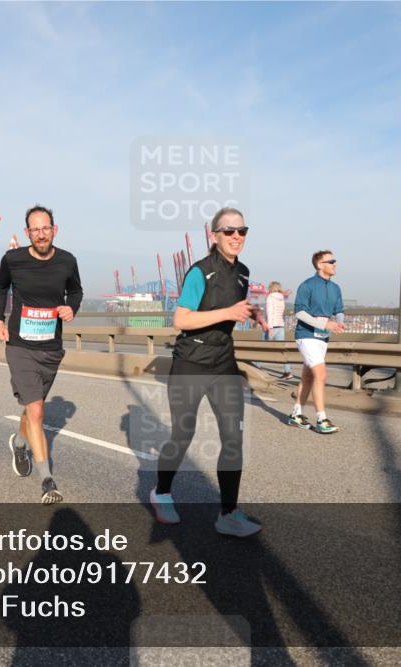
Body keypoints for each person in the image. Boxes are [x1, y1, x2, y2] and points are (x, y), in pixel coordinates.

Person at [150, 207, 269, 537]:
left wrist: (251, 312)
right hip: (191, 362)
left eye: (242, 230)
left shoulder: (243, 272)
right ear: (214, 235)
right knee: (183, 433)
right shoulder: (199, 272)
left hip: (223, 363)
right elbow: (181, 319)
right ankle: (161, 492)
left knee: (233, 437)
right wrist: (228, 312)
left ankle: (228, 514)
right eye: (228, 230)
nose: (236, 236)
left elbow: (231, 307)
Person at [0, 204, 83, 505]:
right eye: (35, 230)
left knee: (34, 408)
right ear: (27, 232)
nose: (41, 234)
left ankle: (19, 443)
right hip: (20, 345)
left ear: (54, 230)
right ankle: (47, 480)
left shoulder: (67, 261)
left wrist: (72, 307)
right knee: (38, 411)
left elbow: (76, 291)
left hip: (51, 348)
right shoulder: (13, 259)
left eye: (46, 229)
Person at [288, 250, 346, 434]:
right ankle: (322, 419)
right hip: (306, 335)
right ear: (320, 265)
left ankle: (296, 414)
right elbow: (299, 313)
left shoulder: (336, 288)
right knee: (320, 374)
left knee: (308, 377)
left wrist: (339, 322)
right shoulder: (307, 285)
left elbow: (339, 310)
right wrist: (324, 323)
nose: (335, 264)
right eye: (331, 261)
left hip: (323, 338)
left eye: (335, 261)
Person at [264, 281, 293, 380]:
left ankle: (256, 368)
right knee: (282, 351)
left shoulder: (270, 297)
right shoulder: (282, 298)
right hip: (280, 326)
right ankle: (288, 372)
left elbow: (269, 312)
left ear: (271, 288)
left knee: (260, 348)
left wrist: (269, 327)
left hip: (272, 326)